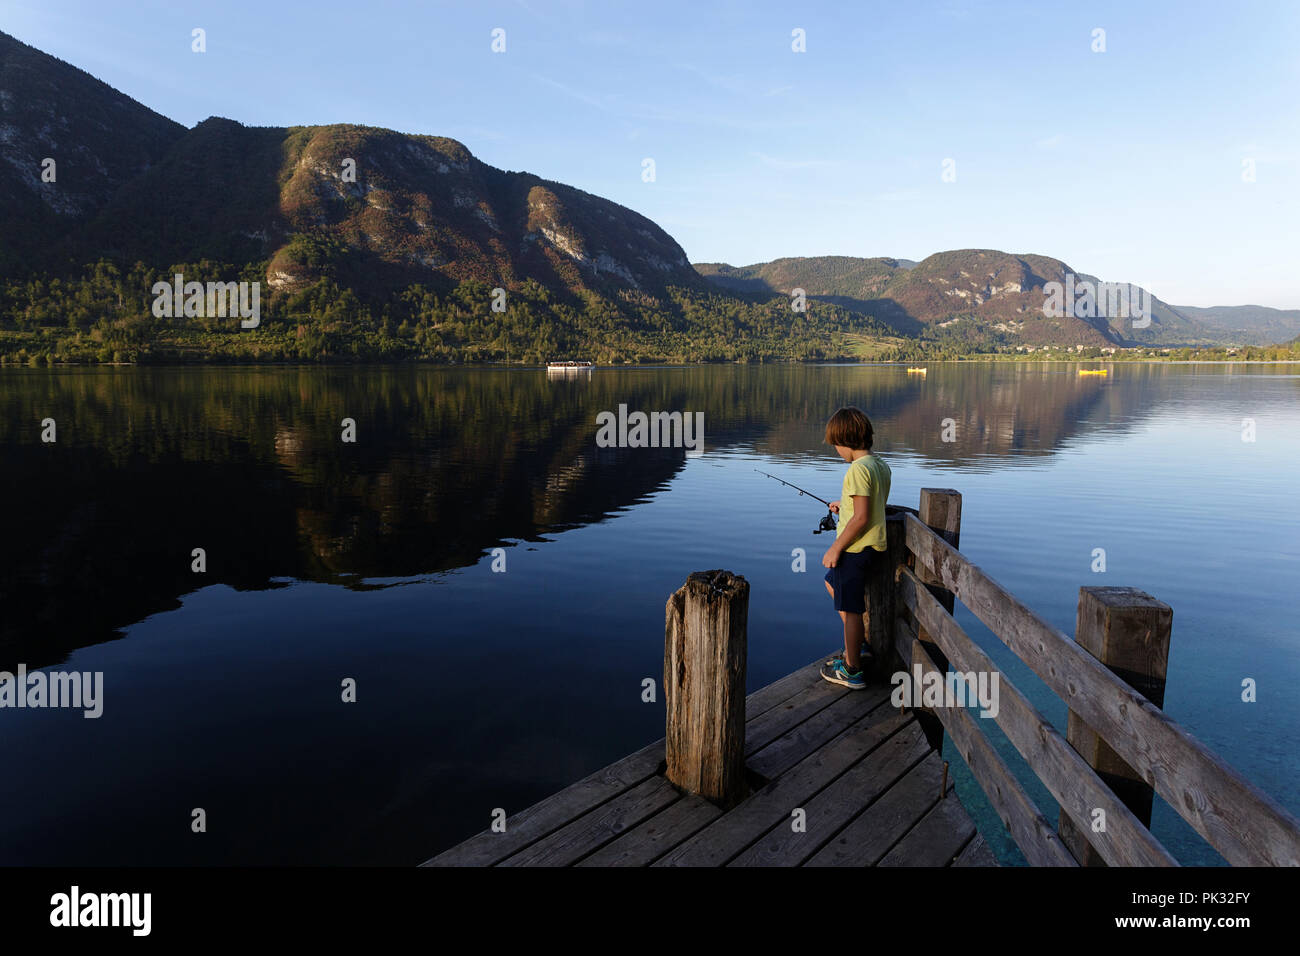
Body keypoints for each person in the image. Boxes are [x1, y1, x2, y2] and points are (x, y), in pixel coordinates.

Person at [820, 406, 891, 689]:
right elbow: (869, 508)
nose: (836, 451)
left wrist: (836, 547)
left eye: (836, 445)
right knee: (831, 583)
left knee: (850, 610)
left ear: (846, 440)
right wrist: (843, 508)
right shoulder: (879, 465)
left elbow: (861, 517)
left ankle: (852, 670)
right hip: (872, 547)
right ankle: (857, 644)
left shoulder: (857, 470)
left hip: (855, 549)